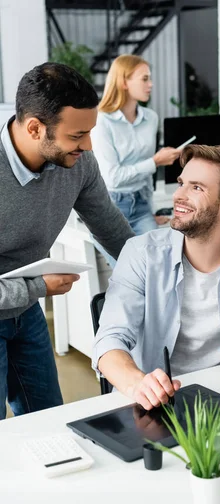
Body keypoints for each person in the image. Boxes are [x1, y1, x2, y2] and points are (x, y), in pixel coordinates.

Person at [92, 145, 220, 410]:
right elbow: (109, 340)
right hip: (163, 399)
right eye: (181, 184)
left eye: (196, 187)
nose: (179, 195)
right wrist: (137, 383)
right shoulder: (142, 253)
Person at [0, 62, 134, 420]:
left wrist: (158, 275)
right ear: (35, 128)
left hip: (25, 314)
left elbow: (110, 227)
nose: (88, 146)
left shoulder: (80, 163)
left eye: (89, 133)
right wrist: (36, 288)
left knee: (48, 419)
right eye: (77, 136)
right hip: (22, 298)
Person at [90, 55, 181, 262]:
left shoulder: (151, 118)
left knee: (159, 265)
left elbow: (145, 177)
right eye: (144, 79)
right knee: (129, 273)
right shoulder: (102, 121)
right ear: (123, 82)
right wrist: (155, 162)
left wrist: (149, 213)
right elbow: (113, 178)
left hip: (141, 205)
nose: (151, 84)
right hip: (111, 208)